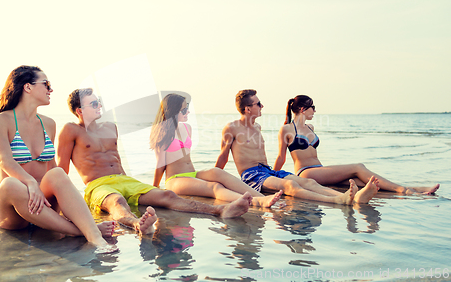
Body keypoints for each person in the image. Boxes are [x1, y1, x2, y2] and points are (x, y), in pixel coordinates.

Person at [56, 89, 250, 236]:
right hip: (97, 184)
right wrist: (63, 205)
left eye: (99, 102)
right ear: (79, 110)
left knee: (167, 195)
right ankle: (136, 224)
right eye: (94, 103)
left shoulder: (110, 127)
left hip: (125, 180)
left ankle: (220, 210)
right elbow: (61, 170)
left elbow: (117, 160)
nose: (99, 105)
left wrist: (131, 182)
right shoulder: (71, 130)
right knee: (117, 201)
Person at [0, 66, 115, 250]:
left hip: (43, 206)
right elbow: (5, 161)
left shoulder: (48, 124)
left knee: (57, 172)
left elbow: (54, 173)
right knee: (10, 184)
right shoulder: (2, 120)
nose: (51, 90)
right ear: (28, 87)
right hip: (13, 212)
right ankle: (86, 231)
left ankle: (94, 237)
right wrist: (31, 183)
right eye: (46, 84)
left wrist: (72, 212)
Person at [216, 89, 380, 205]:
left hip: (267, 171)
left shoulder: (257, 127)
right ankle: (336, 200)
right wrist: (214, 178)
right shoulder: (231, 128)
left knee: (309, 182)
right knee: (290, 186)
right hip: (251, 175)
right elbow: (223, 157)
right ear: (248, 108)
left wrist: (274, 173)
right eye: (258, 104)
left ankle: (353, 197)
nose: (262, 106)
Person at [273, 95, 440, 195]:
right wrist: (272, 177)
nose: (315, 111)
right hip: (306, 173)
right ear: (303, 109)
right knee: (358, 167)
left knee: (364, 183)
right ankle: (403, 190)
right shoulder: (287, 129)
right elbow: (281, 157)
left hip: (321, 171)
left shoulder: (310, 127)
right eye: (312, 107)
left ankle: (416, 190)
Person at [150, 93, 283, 208]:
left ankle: (263, 197)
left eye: (188, 108)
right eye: (184, 110)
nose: (188, 112)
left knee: (217, 172)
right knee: (215, 187)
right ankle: (256, 202)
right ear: (172, 111)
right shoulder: (163, 133)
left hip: (192, 174)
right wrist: (155, 188)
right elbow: (160, 164)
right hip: (175, 179)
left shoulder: (187, 128)